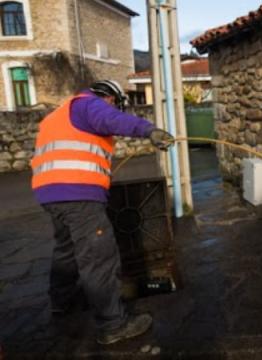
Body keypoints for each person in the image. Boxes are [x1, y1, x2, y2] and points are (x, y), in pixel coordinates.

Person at [31, 80, 174, 345]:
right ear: (108, 97)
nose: (112, 107)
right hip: (79, 195)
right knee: (98, 257)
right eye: (115, 103)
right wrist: (149, 130)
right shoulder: (89, 104)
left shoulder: (57, 116)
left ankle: (62, 303)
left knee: (66, 250)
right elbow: (111, 120)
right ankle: (113, 324)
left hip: (50, 193)